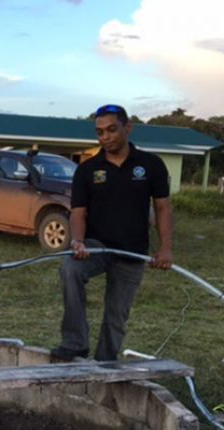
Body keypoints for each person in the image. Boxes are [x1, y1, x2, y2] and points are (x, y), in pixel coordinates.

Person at [51, 104, 173, 362]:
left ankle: (104, 365)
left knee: (116, 316)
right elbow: (78, 212)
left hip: (132, 250)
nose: (105, 137)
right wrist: (78, 241)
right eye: (99, 132)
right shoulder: (88, 169)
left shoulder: (151, 165)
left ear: (127, 128)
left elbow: (162, 208)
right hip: (96, 246)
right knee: (70, 269)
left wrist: (165, 248)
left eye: (111, 130)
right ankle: (75, 343)